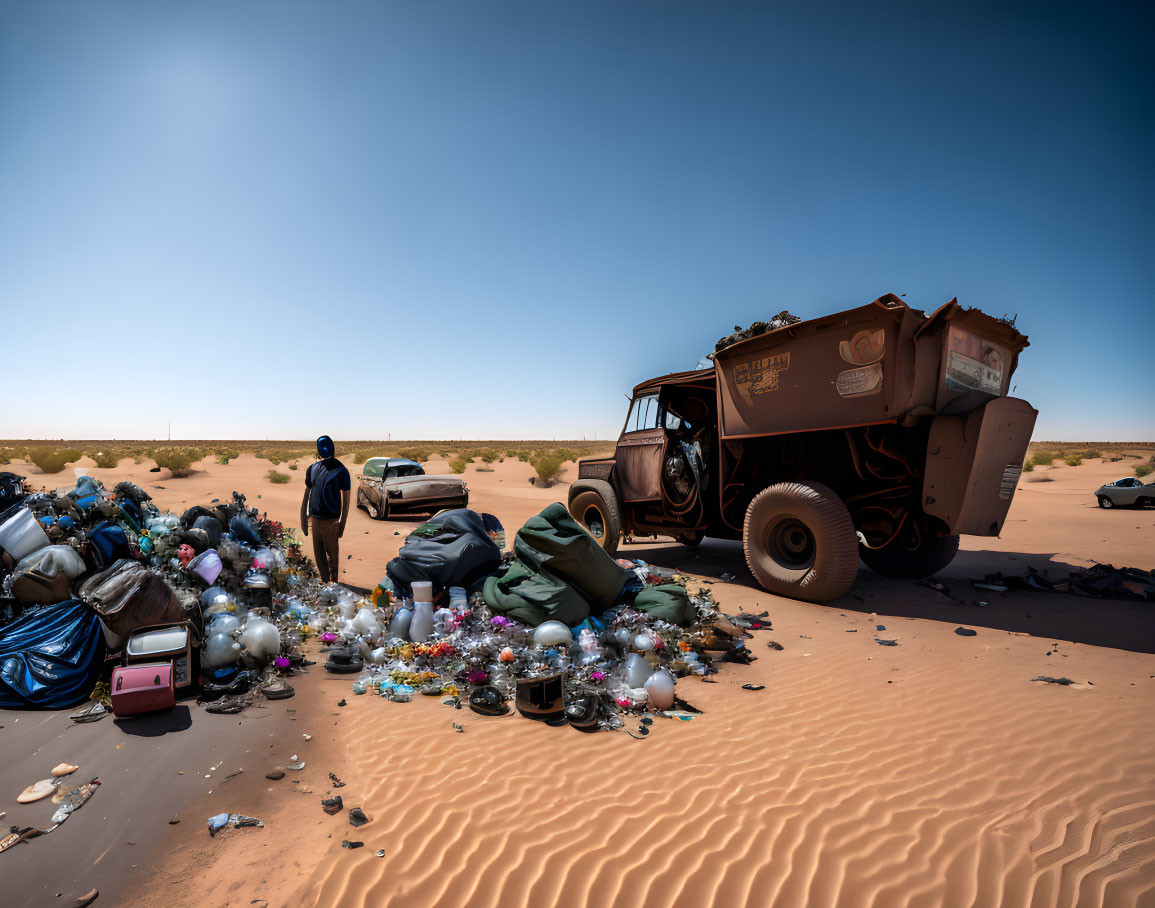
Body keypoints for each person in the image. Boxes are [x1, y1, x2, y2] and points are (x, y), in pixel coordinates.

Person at [301, 435, 351, 583]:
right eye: (321, 447)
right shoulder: (313, 469)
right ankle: (325, 582)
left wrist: (342, 523)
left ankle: (334, 582)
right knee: (319, 554)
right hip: (315, 518)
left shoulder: (341, 470)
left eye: (326, 446)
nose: (324, 450)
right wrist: (303, 519)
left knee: (332, 554)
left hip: (332, 520)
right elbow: (307, 495)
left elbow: (346, 499)